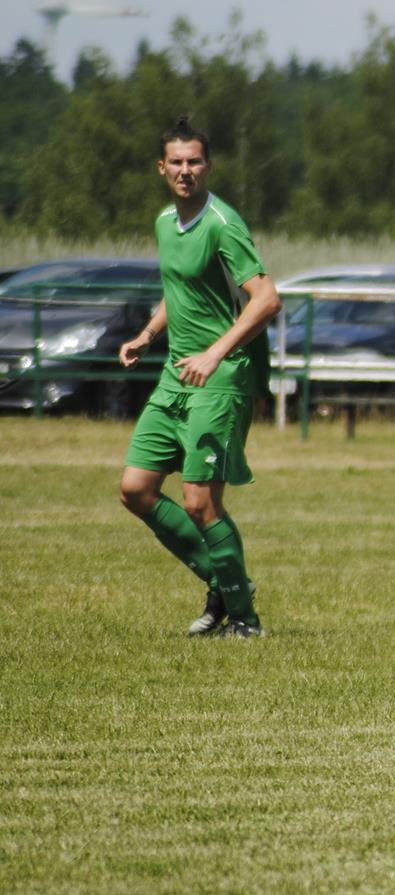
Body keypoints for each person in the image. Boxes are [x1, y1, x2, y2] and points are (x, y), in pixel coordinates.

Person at [117, 116, 282, 638]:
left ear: (207, 166)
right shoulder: (167, 221)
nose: (185, 171)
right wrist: (148, 334)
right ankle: (228, 584)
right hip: (176, 374)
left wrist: (214, 353)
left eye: (195, 162)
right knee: (135, 489)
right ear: (161, 167)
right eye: (176, 163)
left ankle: (246, 621)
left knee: (199, 501)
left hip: (222, 375)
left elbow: (267, 298)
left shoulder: (222, 223)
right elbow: (180, 290)